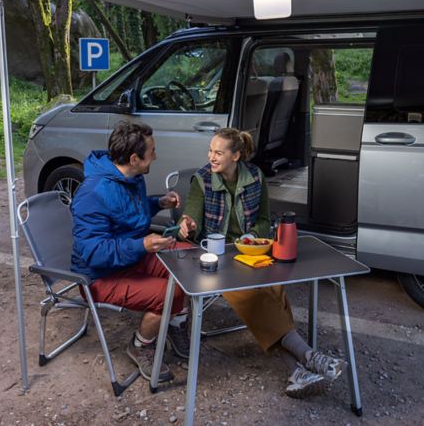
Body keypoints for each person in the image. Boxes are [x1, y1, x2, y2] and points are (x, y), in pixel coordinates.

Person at [178, 128, 346, 398]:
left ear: (236, 155)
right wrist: (187, 224)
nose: (211, 156)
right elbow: (192, 215)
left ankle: (297, 373)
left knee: (274, 288)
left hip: (252, 251)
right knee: (249, 294)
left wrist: (252, 236)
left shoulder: (255, 177)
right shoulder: (202, 180)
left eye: (218, 152)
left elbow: (265, 220)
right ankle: (307, 356)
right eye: (210, 150)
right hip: (220, 257)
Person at [70, 121, 189, 382]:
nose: (156, 156)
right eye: (152, 151)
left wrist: (157, 202)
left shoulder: (130, 176)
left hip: (131, 257)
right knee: (168, 292)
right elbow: (93, 252)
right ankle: (140, 346)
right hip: (100, 276)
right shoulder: (92, 194)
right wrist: (142, 245)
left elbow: (126, 212)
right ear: (134, 158)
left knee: (186, 260)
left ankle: (175, 325)